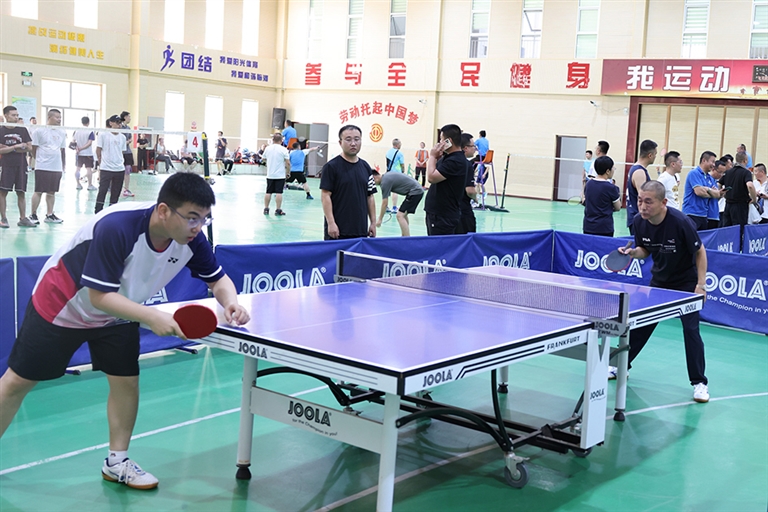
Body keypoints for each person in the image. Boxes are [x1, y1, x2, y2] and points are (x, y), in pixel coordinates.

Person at [0, 173, 250, 490]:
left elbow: (218, 279)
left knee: (126, 381)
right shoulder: (118, 226)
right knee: (17, 383)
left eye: (204, 219)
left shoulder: (192, 240)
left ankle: (116, 462)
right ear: (163, 210)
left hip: (119, 310)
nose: (198, 227)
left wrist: (231, 302)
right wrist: (152, 317)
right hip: (63, 305)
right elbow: (97, 296)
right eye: (191, 218)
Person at [612, 180, 710, 404]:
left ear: (663, 202)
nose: (643, 206)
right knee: (642, 324)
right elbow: (645, 250)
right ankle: (622, 365)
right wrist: (632, 253)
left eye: (648, 202)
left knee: (691, 330)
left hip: (686, 283)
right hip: (660, 281)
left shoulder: (680, 222)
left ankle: (699, 382)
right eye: (640, 201)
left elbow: (700, 251)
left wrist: (701, 285)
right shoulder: (639, 221)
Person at [320, 125, 376, 240]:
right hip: (337, 230)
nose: (353, 143)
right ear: (340, 143)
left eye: (357, 139)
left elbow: (370, 196)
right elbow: (325, 196)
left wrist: (373, 223)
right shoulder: (331, 167)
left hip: (360, 229)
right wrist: (331, 223)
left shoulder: (365, 167)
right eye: (348, 139)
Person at [424, 124, 466, 235]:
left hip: (442, 215)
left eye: (442, 139)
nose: (440, 143)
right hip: (438, 213)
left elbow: (431, 177)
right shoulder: (448, 158)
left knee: (438, 244)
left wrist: (432, 156)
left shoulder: (455, 161)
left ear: (449, 141)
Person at [0, 106, 36, 228]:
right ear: (6, 116)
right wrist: (16, 146)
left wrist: (9, 148)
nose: (16, 117)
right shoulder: (1, 130)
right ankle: (3, 218)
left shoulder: (23, 130)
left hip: (21, 165)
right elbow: (0, 150)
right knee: (3, 192)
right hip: (6, 165)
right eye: (13, 115)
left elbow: (29, 147)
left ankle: (23, 218)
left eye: (17, 115)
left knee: (21, 192)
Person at [29, 109, 67, 224]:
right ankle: (33, 215)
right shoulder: (39, 131)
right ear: (49, 117)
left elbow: (62, 149)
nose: (59, 120)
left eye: (60, 117)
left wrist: (63, 166)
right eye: (57, 117)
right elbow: (33, 149)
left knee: (52, 192)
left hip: (56, 167)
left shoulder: (62, 132)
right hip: (43, 166)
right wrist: (39, 160)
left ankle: (49, 215)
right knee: (39, 191)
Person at [373, 169, 423, 237]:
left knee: (400, 215)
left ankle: (406, 239)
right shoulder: (386, 176)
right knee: (403, 215)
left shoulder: (384, 182)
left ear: (374, 177)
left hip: (415, 192)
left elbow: (385, 203)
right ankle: (405, 236)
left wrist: (380, 219)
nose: (373, 184)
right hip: (415, 191)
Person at [95, 115, 130, 214]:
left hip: (119, 169)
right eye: (117, 122)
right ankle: (98, 211)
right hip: (106, 169)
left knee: (116, 192)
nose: (119, 125)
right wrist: (100, 162)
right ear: (111, 123)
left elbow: (121, 152)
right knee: (102, 191)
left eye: (120, 123)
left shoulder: (122, 137)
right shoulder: (103, 135)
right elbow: (98, 150)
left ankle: (112, 211)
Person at [682, 151, 721, 231]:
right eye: (712, 161)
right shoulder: (694, 173)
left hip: (704, 215)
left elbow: (718, 194)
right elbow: (699, 192)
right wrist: (711, 192)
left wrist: (707, 189)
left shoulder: (710, 178)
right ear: (704, 160)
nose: (714, 165)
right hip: (692, 213)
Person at [583, 156, 621, 237]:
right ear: (608, 171)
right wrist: (608, 208)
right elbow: (618, 207)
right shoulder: (611, 188)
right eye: (613, 168)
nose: (614, 170)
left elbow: (585, 201)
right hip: (604, 228)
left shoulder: (589, 184)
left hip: (588, 226)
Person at [626, 139, 657, 234]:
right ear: (650, 155)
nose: (655, 157)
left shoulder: (637, 169)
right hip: (638, 218)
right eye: (655, 154)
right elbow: (643, 197)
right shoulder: (639, 172)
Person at [719, 151, 757, 229]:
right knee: (739, 229)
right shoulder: (746, 172)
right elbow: (750, 185)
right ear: (745, 160)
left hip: (728, 204)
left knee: (726, 229)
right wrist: (754, 199)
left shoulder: (728, 172)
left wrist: (722, 194)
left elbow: (719, 184)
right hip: (740, 205)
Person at [262, 133, 290, 216]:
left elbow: (263, 159)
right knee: (279, 192)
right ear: (281, 141)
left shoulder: (267, 149)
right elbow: (288, 163)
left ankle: (266, 209)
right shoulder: (284, 149)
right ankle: (278, 210)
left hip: (270, 174)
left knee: (268, 192)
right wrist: (288, 172)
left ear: (273, 140)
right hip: (280, 175)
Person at [456, 133, 478, 234]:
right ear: (465, 148)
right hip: (463, 210)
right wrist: (475, 198)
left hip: (449, 210)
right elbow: (470, 191)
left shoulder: (447, 161)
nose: (475, 149)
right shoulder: (467, 165)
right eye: (473, 146)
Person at [73, 116, 97, 190]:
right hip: (88, 153)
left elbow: (73, 141)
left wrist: (78, 148)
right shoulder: (90, 131)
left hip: (79, 153)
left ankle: (78, 184)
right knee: (89, 169)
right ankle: (90, 185)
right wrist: (81, 148)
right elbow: (89, 143)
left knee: (78, 169)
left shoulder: (77, 131)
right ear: (88, 122)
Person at [385, 138, 405, 211]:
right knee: (395, 191)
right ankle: (394, 207)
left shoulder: (388, 152)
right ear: (397, 145)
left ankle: (385, 207)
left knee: (387, 191)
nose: (401, 145)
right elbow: (402, 164)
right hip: (396, 174)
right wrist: (403, 171)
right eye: (400, 144)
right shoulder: (399, 153)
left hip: (388, 173)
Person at [707, 160, 727, 230]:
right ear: (713, 169)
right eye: (720, 172)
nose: (721, 175)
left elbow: (715, 197)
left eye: (723, 173)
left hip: (715, 214)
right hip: (708, 215)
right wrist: (713, 192)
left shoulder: (716, 181)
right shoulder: (707, 180)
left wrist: (720, 195)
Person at [120, 112, 135, 197]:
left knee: (128, 169)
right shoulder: (119, 127)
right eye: (129, 116)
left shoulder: (128, 128)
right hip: (120, 152)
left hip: (127, 151)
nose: (130, 118)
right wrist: (125, 142)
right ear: (125, 117)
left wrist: (129, 141)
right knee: (118, 171)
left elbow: (130, 138)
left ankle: (126, 189)